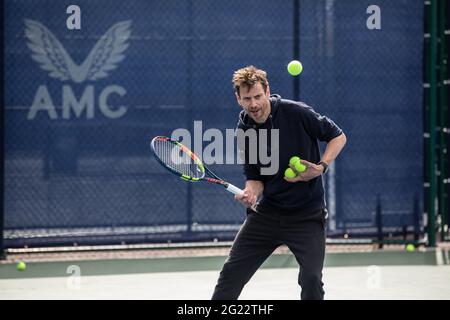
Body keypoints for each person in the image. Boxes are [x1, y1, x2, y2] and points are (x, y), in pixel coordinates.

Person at [211, 65, 347, 300]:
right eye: (247, 99)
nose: (253, 104)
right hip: (268, 214)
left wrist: (321, 167)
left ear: (267, 91)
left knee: (311, 279)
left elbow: (338, 136)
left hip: (307, 215)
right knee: (231, 272)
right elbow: (255, 178)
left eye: (257, 96)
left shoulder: (297, 113)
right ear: (238, 99)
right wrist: (250, 193)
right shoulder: (245, 129)